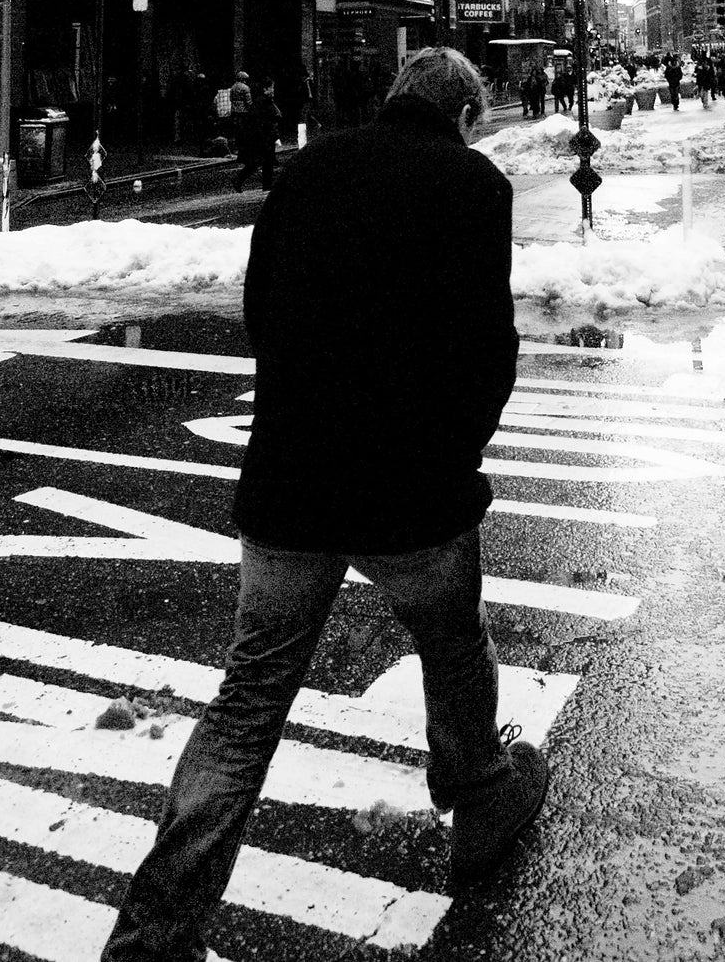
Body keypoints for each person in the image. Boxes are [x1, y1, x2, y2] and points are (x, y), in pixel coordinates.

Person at [100, 50, 544, 959]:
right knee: (452, 640)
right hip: (412, 486)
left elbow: (261, 312)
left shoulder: (306, 170)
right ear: (461, 112)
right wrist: (458, 455)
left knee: (249, 696)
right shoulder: (472, 183)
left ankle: (156, 931)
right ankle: (481, 793)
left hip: (290, 479)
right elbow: (482, 344)